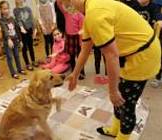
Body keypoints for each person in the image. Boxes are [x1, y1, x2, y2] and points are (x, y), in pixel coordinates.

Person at [65, 0, 161, 140]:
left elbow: (111, 56)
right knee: (118, 98)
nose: (67, 7)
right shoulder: (91, 12)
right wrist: (74, 74)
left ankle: (122, 137)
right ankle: (115, 129)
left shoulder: (95, 13)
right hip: (130, 54)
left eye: (66, 2)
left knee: (126, 103)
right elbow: (84, 51)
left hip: (143, 56)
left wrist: (113, 90)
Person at [57, 0, 85, 80]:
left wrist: (80, 42)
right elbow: (59, 4)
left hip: (77, 37)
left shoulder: (80, 15)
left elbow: (81, 30)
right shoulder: (66, 13)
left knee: (79, 57)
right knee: (71, 57)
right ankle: (73, 71)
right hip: (69, 37)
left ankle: (82, 72)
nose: (71, 6)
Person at [0, 1, 26, 79]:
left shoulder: (12, 18)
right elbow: (5, 29)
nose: (6, 10)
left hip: (15, 40)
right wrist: (8, 39)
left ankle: (19, 69)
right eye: (4, 9)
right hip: (8, 42)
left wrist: (20, 40)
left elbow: (17, 29)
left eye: (7, 8)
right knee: (10, 57)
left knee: (17, 55)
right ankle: (13, 73)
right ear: (1, 10)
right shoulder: (1, 20)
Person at [14, 0, 38, 71]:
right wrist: (21, 27)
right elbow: (18, 20)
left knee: (31, 46)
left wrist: (34, 29)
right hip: (22, 31)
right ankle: (27, 63)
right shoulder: (16, 10)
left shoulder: (28, 8)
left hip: (29, 29)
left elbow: (31, 19)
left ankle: (33, 61)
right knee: (24, 48)